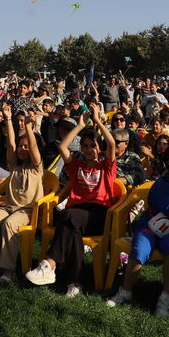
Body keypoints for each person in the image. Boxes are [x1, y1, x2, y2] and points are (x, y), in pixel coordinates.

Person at [25, 105, 117, 296]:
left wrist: (97, 121)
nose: (89, 149)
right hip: (76, 216)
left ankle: (49, 263)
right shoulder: (77, 166)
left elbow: (112, 144)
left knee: (67, 216)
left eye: (93, 146)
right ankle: (75, 283)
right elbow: (62, 147)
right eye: (85, 146)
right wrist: (80, 125)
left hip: (98, 215)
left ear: (99, 148)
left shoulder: (106, 167)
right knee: (72, 230)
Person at [106, 144, 169, 316]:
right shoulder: (161, 186)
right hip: (149, 226)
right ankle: (126, 291)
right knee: (139, 250)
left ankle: (165, 297)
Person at [0, 107, 45, 283]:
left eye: (26, 147)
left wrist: (29, 127)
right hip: (10, 207)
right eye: (21, 146)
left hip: (27, 211)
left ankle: (9, 270)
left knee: (10, 224)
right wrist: (9, 120)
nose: (22, 149)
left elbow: (34, 146)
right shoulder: (14, 165)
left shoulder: (36, 168)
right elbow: (11, 143)